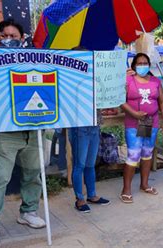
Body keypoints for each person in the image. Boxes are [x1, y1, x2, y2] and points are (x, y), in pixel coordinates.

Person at [0, 19, 46, 248]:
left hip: (32, 129)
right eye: (4, 36)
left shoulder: (34, 62)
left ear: (22, 37)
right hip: (3, 130)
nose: (9, 39)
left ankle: (28, 211)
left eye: (13, 36)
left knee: (33, 173)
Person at [120, 53, 163, 203]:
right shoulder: (127, 80)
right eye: (139, 63)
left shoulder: (155, 81)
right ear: (134, 65)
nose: (142, 66)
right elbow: (120, 100)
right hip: (134, 123)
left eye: (145, 63)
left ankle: (144, 184)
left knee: (147, 153)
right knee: (133, 155)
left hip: (150, 122)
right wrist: (134, 113)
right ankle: (126, 189)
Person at [69, 46, 110, 212]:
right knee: (79, 164)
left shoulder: (95, 77)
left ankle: (92, 195)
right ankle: (79, 199)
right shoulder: (70, 79)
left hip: (94, 125)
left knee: (90, 164)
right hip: (79, 126)